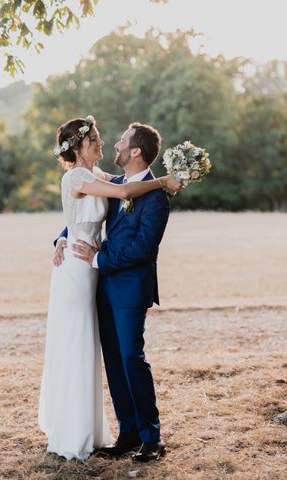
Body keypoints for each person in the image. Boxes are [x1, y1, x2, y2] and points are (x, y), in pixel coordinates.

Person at [37, 116, 181, 461]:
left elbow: (143, 249)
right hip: (96, 284)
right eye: (101, 139)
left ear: (135, 150)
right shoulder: (116, 183)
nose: (112, 144)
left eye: (120, 141)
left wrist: (98, 260)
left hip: (129, 287)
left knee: (132, 358)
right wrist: (63, 236)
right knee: (114, 362)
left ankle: (152, 438)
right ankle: (128, 434)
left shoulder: (155, 198)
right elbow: (81, 212)